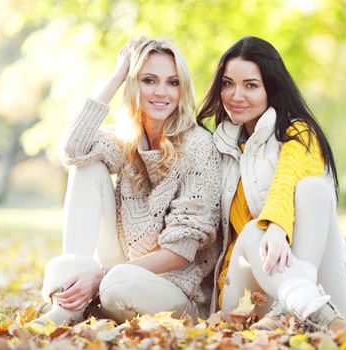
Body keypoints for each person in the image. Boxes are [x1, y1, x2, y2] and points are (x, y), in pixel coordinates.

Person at [31, 37, 221, 326]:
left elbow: (180, 252)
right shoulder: (125, 139)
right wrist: (117, 75)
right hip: (121, 267)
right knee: (87, 168)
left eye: (172, 82)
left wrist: (101, 274)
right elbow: (72, 150)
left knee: (117, 283)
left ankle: (91, 293)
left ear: (182, 89)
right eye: (148, 80)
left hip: (177, 291)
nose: (161, 92)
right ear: (134, 86)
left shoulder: (198, 146)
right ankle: (70, 306)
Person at [197, 36, 346, 334]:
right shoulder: (216, 147)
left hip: (326, 291)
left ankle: (298, 302)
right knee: (249, 231)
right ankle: (300, 303)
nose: (236, 95)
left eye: (251, 85)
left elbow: (287, 180)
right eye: (228, 83)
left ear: (272, 88)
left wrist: (276, 226)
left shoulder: (299, 134)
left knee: (313, 189)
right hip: (249, 294)